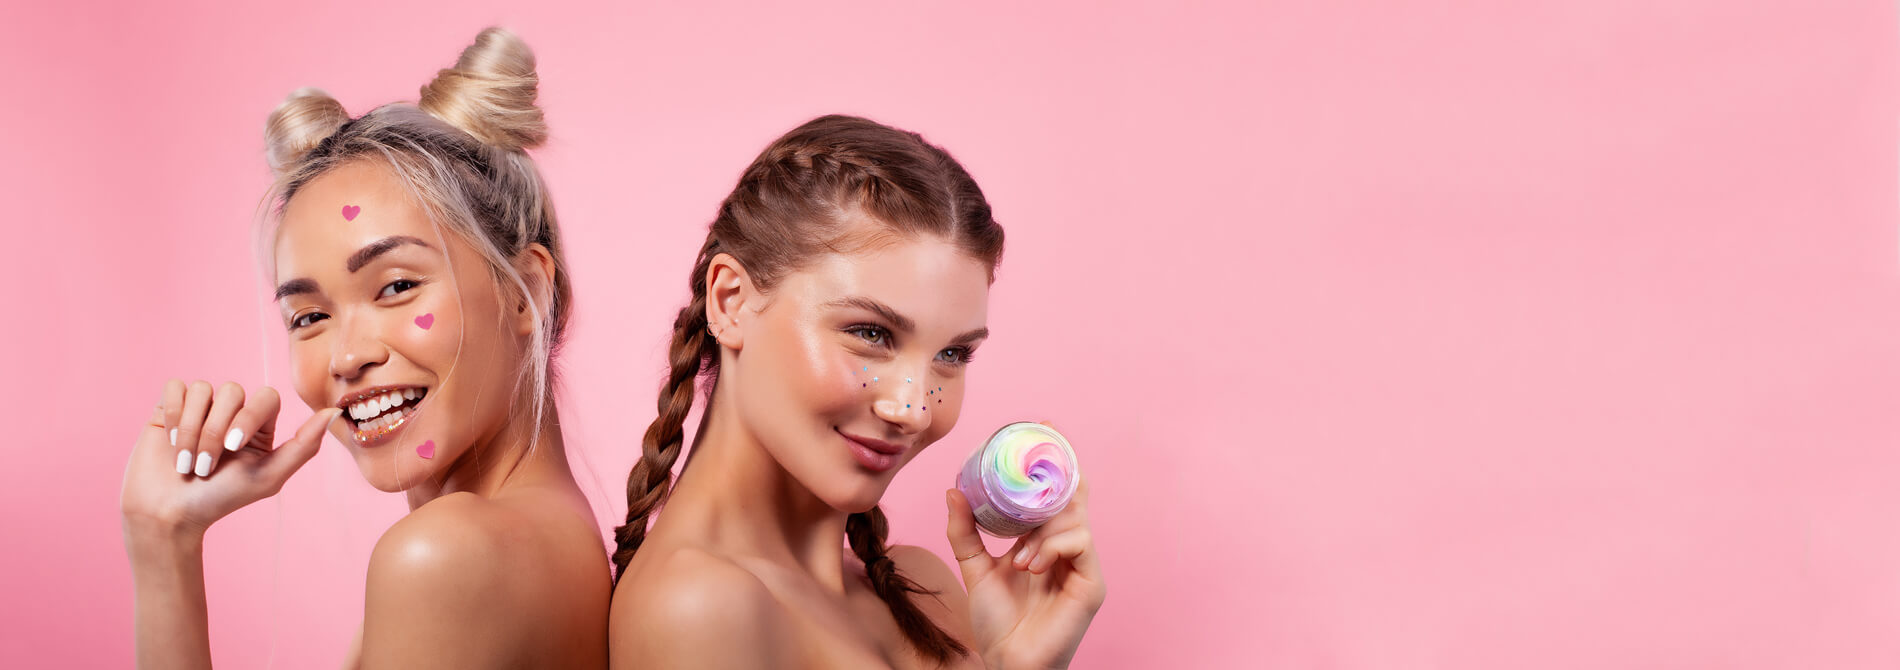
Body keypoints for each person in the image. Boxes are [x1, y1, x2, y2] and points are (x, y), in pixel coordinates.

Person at [119, 27, 608, 668]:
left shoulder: (443, 555)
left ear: (527, 295)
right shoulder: (549, 541)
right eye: (309, 315)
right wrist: (165, 534)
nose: (346, 357)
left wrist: (161, 557)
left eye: (397, 286)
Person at [608, 115, 1105, 668]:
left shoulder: (923, 589)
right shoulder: (699, 608)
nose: (913, 410)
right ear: (730, 301)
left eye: (952, 354)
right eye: (870, 334)